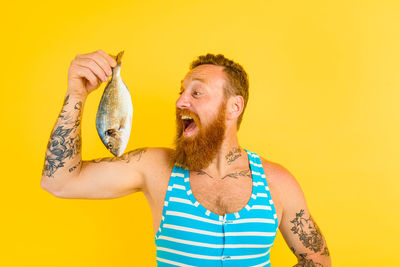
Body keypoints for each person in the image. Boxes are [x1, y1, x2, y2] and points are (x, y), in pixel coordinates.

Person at [41, 50, 331, 266]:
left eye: (197, 92)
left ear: (234, 107)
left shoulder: (276, 181)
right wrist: (76, 94)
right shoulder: (154, 167)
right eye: (181, 91)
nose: (180, 101)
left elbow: (318, 260)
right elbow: (60, 182)